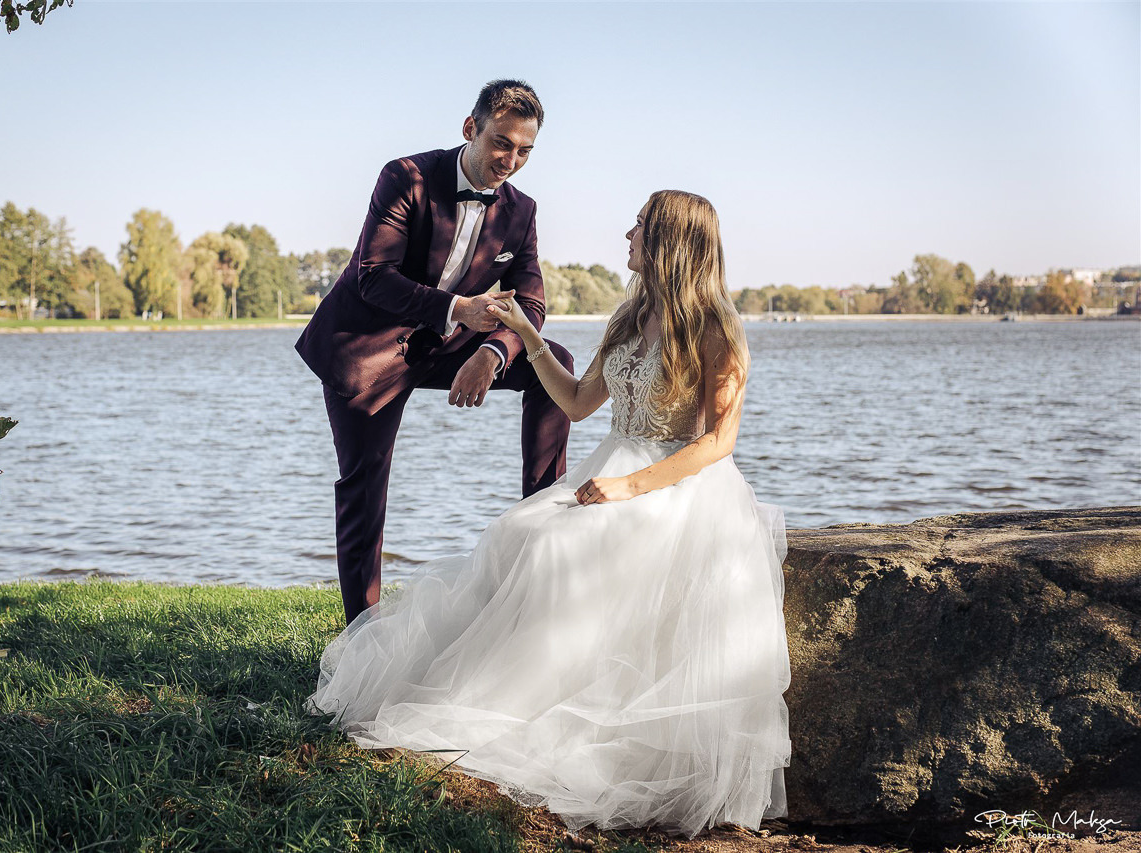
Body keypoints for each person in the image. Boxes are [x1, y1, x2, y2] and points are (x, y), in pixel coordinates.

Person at [304, 190, 792, 839]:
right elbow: (578, 401)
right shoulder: (627, 317)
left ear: (670, 243)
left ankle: (549, 713)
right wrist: (529, 337)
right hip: (613, 465)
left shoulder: (714, 330)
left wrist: (629, 488)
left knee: (557, 549)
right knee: (522, 531)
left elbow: (717, 442)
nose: (627, 234)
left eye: (640, 227)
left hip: (677, 487)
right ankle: (494, 695)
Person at [294, 79, 574, 626]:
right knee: (363, 484)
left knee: (553, 362)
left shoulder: (522, 210)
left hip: (455, 345)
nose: (511, 160)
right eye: (501, 143)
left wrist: (493, 351)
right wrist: (458, 309)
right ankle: (360, 631)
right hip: (370, 346)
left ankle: (537, 549)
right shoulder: (406, 177)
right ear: (470, 129)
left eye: (524, 151)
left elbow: (532, 305)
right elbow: (372, 277)